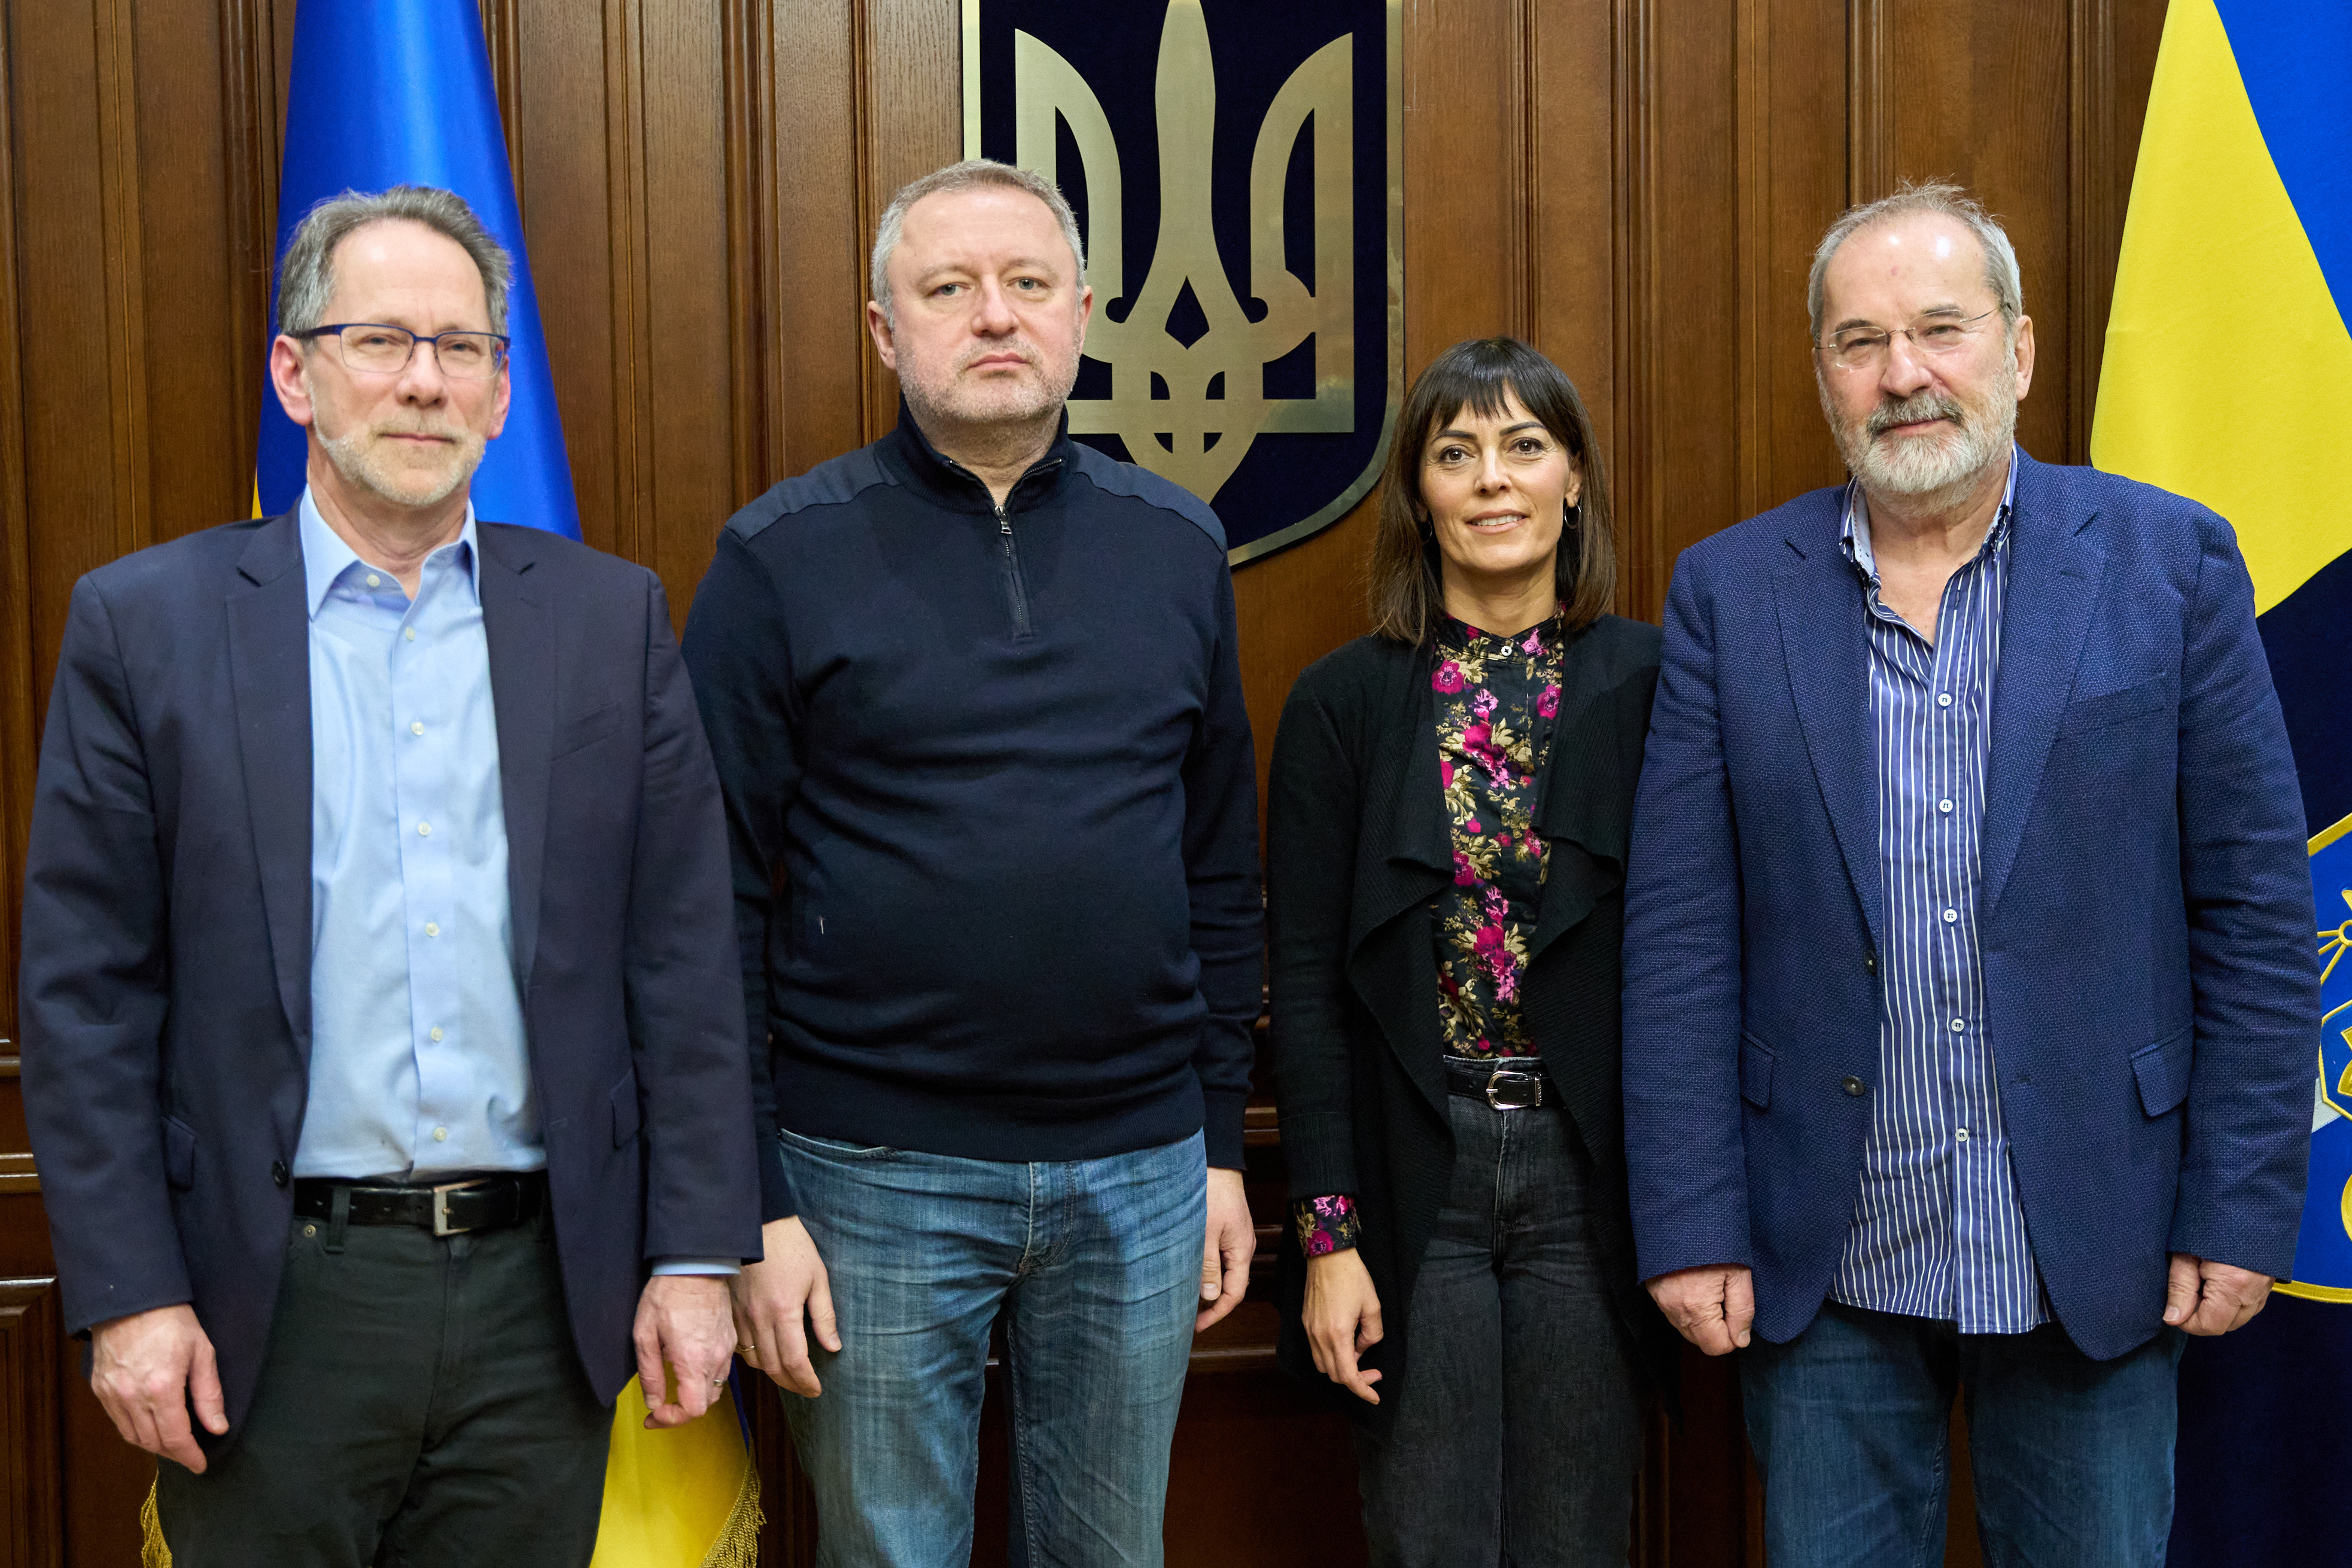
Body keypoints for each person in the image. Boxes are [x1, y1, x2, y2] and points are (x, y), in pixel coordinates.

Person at [17, 185, 760, 1567]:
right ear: (295, 375)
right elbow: (86, 999)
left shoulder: (609, 621)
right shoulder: (145, 627)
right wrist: (128, 1294)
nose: (424, 381)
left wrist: (697, 1256)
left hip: (546, 1298)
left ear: (499, 393)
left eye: (461, 347)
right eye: (380, 341)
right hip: (269, 1300)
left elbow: (684, 966)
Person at [1621, 181, 2318, 1564]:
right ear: (1822, 372)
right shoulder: (1730, 594)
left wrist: (2240, 1206)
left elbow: (2253, 912)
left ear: (2019, 346)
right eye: (1860, 341)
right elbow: (1682, 936)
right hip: (1825, 1249)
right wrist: (1690, 1220)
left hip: (2101, 1236)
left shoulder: (2167, 564)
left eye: (1940, 328)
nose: (1903, 374)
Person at [679, 158, 1262, 1566]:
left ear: (1081, 315)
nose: (994, 315)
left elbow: (1216, 867)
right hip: (870, 1178)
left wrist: (1217, 1148)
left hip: (1141, 1169)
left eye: (1027, 283)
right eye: (949, 288)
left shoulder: (1178, 545)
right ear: (888, 333)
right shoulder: (778, 559)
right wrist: (752, 1204)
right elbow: (703, 909)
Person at [1265, 337, 1680, 1566]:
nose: (1493, 479)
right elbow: (1307, 993)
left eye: (1524, 446)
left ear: (1574, 478)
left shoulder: (1661, 683)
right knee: (1428, 1538)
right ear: (1419, 493)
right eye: (1456, 453)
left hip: (1593, 1177)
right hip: (1415, 1174)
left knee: (1577, 1541)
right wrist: (1328, 1238)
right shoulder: (1341, 704)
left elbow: (1700, 960)